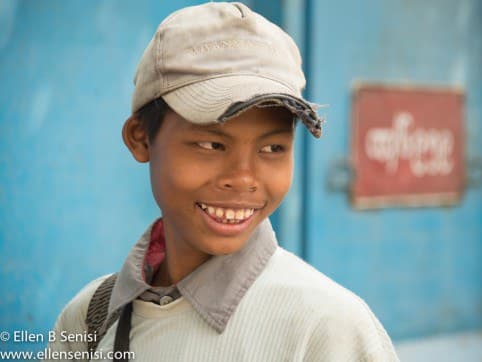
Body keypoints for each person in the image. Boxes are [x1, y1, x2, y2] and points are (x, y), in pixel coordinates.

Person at [46, 2, 398, 361]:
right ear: (140, 138)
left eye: (273, 147)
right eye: (211, 144)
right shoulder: (91, 318)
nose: (243, 178)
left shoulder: (327, 328)